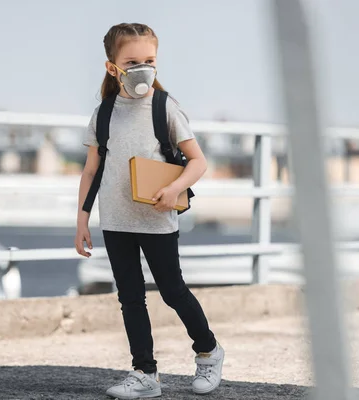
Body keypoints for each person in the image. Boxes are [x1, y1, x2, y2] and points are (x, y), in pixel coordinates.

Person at [74, 22, 225, 399]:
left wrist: (173, 188)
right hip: (116, 219)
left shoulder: (165, 107)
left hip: (157, 220)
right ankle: (145, 374)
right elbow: (91, 170)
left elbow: (197, 162)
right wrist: (81, 220)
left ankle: (208, 352)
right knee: (130, 297)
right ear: (113, 67)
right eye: (132, 61)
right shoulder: (104, 113)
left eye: (150, 60)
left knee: (173, 291)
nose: (143, 67)